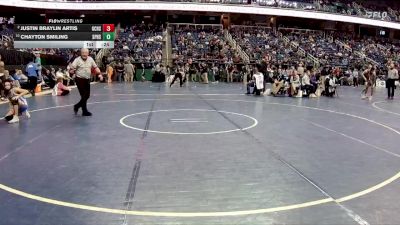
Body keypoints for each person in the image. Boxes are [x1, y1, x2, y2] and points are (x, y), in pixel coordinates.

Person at [69, 48, 100, 116]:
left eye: (86, 53)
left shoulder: (91, 59)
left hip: (87, 79)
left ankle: (77, 106)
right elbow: (71, 69)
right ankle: (84, 111)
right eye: (83, 53)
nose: (84, 54)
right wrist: (71, 71)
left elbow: (95, 67)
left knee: (87, 95)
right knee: (84, 95)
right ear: (80, 53)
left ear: (88, 53)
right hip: (79, 79)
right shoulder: (77, 60)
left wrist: (99, 74)